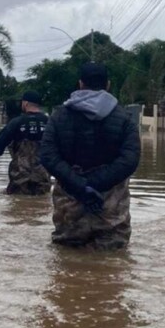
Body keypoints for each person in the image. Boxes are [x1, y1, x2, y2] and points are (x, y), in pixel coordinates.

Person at [40, 62, 140, 250]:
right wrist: (96, 183)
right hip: (111, 206)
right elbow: (130, 160)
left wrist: (81, 186)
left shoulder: (59, 116)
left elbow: (47, 155)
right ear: (108, 85)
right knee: (114, 262)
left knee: (66, 260)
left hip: (69, 203)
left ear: (80, 83)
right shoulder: (124, 117)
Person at [0, 90, 51, 195]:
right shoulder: (49, 123)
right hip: (42, 176)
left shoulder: (16, 122)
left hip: (20, 177)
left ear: (25, 103)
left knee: (17, 204)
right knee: (41, 204)